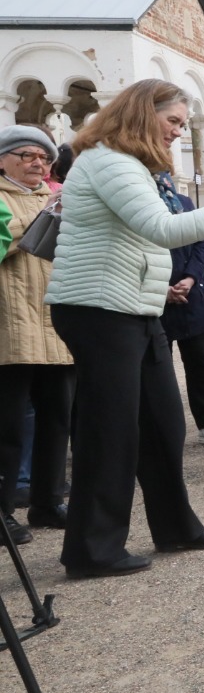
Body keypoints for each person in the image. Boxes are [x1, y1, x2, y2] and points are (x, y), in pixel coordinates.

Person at [44, 79, 204, 577]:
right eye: (172, 120)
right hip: (100, 309)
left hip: (133, 308)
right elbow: (162, 230)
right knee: (111, 431)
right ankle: (92, 550)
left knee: (162, 423)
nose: (178, 131)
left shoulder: (128, 164)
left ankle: (175, 526)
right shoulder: (109, 161)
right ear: (141, 114)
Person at [0, 126, 72, 543]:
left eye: (43, 157)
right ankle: (5, 510)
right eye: (26, 155)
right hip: (12, 326)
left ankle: (48, 502)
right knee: (8, 427)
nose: (37, 163)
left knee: (56, 421)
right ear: (4, 160)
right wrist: (41, 219)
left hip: (56, 323)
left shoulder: (56, 195)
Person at [157, 184, 204, 448]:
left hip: (192, 295)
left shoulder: (182, 201)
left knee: (199, 361)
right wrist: (160, 288)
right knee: (158, 367)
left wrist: (190, 278)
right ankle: (162, 428)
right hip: (154, 297)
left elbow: (203, 242)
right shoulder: (140, 205)